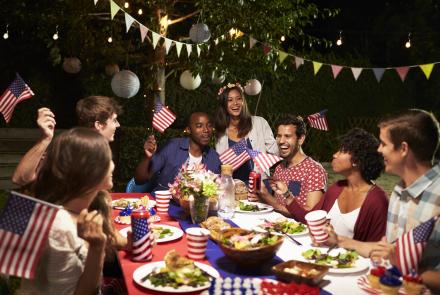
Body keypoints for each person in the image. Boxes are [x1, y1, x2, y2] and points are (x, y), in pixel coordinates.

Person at [18, 128, 115, 294]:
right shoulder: (60, 228)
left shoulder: (76, 208)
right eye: (109, 160)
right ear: (90, 172)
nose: (113, 165)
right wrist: (97, 248)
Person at [12, 96, 122, 187]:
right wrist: (46, 138)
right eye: (114, 120)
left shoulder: (99, 150)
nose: (118, 125)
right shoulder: (71, 148)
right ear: (99, 125)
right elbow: (20, 178)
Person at [251, 114, 327, 223]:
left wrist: (266, 196)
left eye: (287, 136)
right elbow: (279, 205)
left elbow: (311, 214)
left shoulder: (314, 170)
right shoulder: (280, 168)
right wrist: (261, 199)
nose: (281, 141)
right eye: (279, 136)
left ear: (300, 139)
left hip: (300, 234)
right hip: (277, 227)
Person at [321, 128, 388, 243]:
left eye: (341, 151)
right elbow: (309, 217)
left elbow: (376, 249)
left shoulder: (378, 201)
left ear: (356, 160)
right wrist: (287, 197)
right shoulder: (336, 188)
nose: (334, 155)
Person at [134, 111, 221, 192]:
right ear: (188, 129)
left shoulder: (214, 157)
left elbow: (217, 189)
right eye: (199, 126)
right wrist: (147, 158)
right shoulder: (171, 147)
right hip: (166, 204)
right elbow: (140, 180)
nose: (206, 130)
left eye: (209, 125)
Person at [214, 82, 278, 183]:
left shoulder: (259, 122)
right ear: (224, 105)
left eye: (239, 98)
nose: (235, 103)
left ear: (243, 101)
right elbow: (220, 164)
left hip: (260, 185)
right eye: (230, 100)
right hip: (233, 187)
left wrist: (287, 142)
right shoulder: (220, 132)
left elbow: (275, 149)